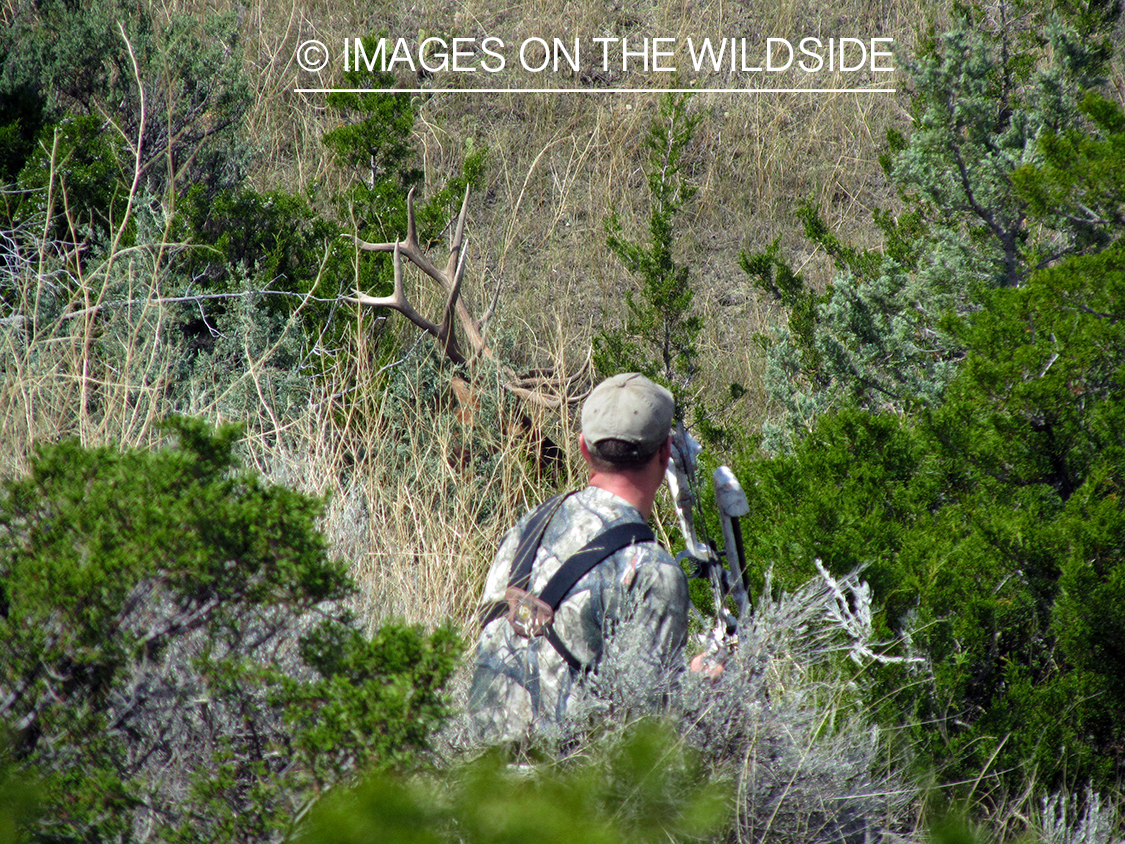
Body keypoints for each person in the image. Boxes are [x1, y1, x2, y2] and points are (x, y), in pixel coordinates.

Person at [467, 372, 690, 743]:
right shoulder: (654, 572)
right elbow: (646, 733)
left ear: (584, 448)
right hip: (568, 794)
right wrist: (701, 684)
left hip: (477, 779)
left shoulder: (526, 529)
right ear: (666, 453)